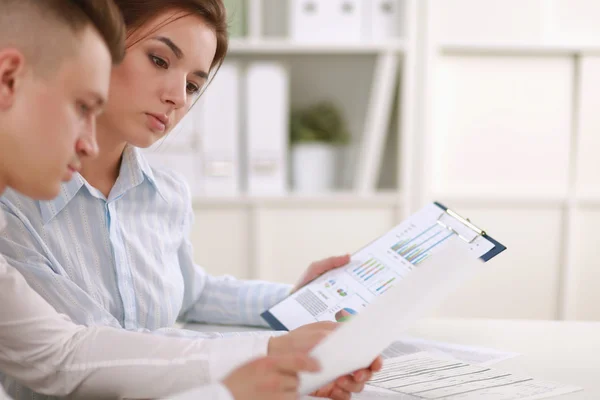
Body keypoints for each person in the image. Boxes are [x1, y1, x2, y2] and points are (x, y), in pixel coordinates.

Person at [0, 1, 381, 399]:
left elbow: (189, 292)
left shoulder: (164, 194)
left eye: (194, 85)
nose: (178, 98)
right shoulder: (16, 203)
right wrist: (264, 359)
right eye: (160, 60)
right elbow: (77, 353)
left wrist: (296, 304)